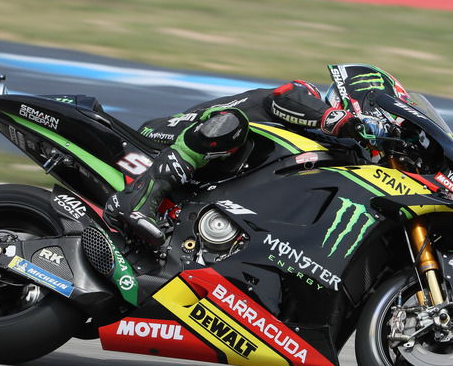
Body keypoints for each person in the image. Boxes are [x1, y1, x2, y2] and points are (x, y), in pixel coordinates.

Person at [104, 67, 403, 245]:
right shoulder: (307, 97)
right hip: (165, 138)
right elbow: (283, 95)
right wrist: (336, 118)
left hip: (208, 186)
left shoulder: (339, 155)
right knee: (231, 123)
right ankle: (138, 200)